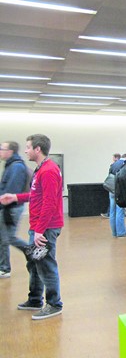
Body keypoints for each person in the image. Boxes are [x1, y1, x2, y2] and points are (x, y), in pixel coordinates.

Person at [0, 134, 64, 320]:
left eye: (28, 147)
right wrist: (15, 197)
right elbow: (36, 195)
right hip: (37, 225)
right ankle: (35, 299)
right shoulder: (40, 169)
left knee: (46, 264)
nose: (25, 150)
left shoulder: (49, 170)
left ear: (38, 149)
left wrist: (39, 230)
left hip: (45, 228)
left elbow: (50, 203)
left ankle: (54, 303)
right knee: (34, 264)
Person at [0, 141, 30, 278]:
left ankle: (31, 252)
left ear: (10, 151)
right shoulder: (11, 165)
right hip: (7, 207)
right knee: (3, 238)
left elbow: (11, 191)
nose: (0, 151)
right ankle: (4, 267)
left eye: (2, 148)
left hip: (11, 208)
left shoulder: (16, 167)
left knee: (9, 238)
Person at [108, 153, 126, 237]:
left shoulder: (113, 165)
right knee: (120, 211)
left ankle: (114, 232)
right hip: (119, 190)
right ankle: (121, 232)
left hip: (111, 190)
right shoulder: (124, 164)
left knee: (112, 212)